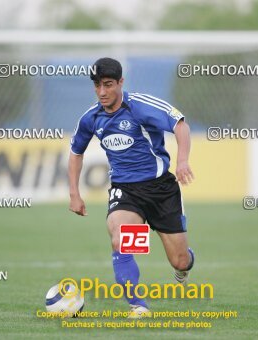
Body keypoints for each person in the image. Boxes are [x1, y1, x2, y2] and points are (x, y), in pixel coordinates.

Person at [68, 57, 195, 318]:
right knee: (121, 240)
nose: (102, 92)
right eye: (97, 86)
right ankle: (138, 306)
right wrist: (74, 194)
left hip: (161, 190)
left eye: (108, 85)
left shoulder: (140, 107)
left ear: (120, 82)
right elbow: (75, 152)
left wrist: (182, 161)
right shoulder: (91, 118)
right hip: (126, 191)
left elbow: (180, 125)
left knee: (180, 261)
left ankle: (185, 263)